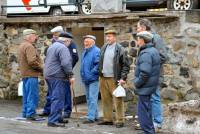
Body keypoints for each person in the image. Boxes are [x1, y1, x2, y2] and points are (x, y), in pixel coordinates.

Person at [136, 18, 167, 131]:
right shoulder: (143, 39)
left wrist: (150, 66)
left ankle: (157, 122)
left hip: (154, 76)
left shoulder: (156, 38)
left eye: (138, 27)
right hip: (147, 76)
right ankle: (148, 122)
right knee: (146, 101)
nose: (137, 30)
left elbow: (163, 56)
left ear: (144, 28)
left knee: (154, 98)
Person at [98, 29, 130, 128]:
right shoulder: (104, 47)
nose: (108, 38)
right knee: (105, 99)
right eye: (107, 36)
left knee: (118, 100)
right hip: (103, 77)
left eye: (110, 36)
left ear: (114, 37)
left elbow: (125, 65)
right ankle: (108, 119)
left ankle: (120, 120)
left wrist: (123, 78)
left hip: (114, 78)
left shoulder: (120, 49)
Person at [134, 31, 161, 134]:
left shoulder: (146, 53)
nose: (137, 41)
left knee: (143, 111)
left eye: (138, 39)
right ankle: (149, 130)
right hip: (150, 86)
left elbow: (145, 73)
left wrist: (137, 83)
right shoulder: (153, 50)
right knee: (147, 109)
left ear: (142, 40)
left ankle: (148, 131)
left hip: (145, 87)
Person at [44, 32, 73, 127]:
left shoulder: (52, 46)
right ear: (67, 40)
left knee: (55, 97)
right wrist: (70, 74)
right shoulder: (63, 48)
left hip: (49, 75)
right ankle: (53, 120)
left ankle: (58, 117)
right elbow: (66, 63)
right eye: (70, 42)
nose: (70, 44)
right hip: (57, 76)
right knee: (58, 98)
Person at [18, 29, 43, 120]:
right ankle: (31, 113)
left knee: (26, 95)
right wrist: (41, 68)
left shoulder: (22, 45)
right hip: (31, 74)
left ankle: (25, 112)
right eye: (35, 35)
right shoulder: (29, 46)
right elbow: (32, 61)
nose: (36, 38)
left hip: (25, 74)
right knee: (32, 95)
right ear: (30, 36)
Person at [80, 35, 100, 124]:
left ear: (93, 42)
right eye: (85, 41)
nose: (85, 43)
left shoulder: (97, 51)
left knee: (92, 98)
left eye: (87, 42)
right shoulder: (85, 51)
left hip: (93, 78)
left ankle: (90, 117)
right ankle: (95, 115)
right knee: (88, 98)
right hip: (86, 78)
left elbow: (98, 65)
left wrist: (91, 73)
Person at [63, 32, 79, 119]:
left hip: (66, 72)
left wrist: (69, 68)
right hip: (58, 73)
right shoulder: (58, 45)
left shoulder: (71, 45)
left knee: (66, 92)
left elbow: (75, 57)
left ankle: (67, 111)